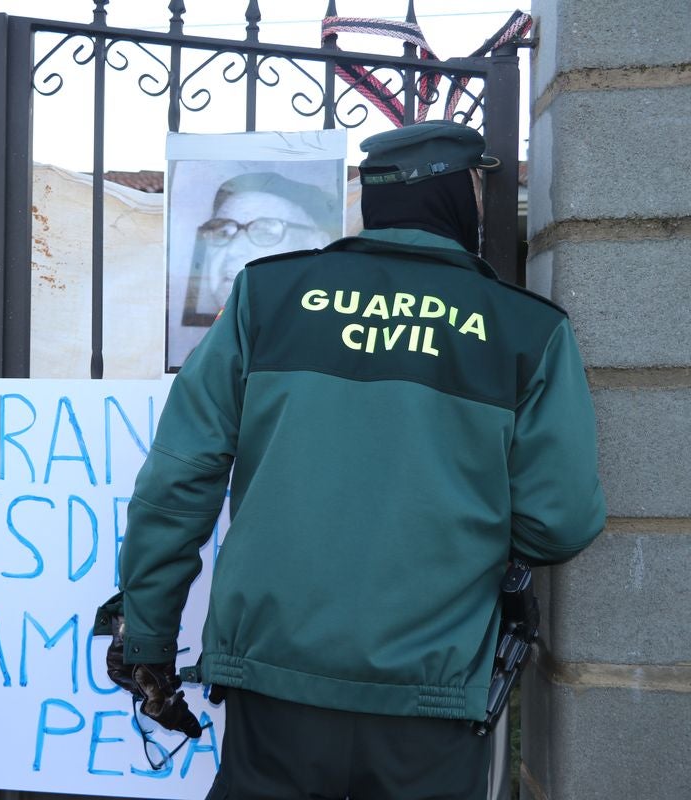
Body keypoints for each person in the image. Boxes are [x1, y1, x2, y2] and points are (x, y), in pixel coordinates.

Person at [111, 120, 605, 799]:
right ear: (459, 194)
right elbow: (562, 522)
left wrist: (148, 640)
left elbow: (176, 482)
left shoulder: (266, 297)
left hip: (273, 681)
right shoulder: (528, 329)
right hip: (430, 698)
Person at [182, 172, 340, 326]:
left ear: (319, 245)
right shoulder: (204, 352)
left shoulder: (331, 348)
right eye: (223, 232)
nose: (233, 250)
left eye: (264, 231)